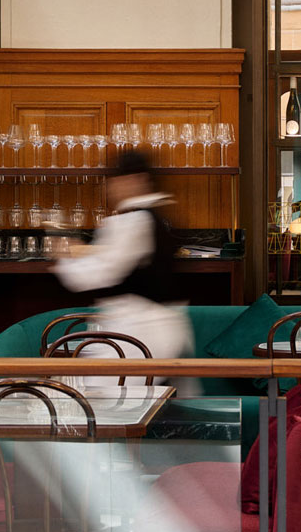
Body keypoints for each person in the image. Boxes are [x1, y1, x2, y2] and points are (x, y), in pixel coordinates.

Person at [49, 149, 193, 386]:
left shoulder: (132, 221)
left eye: (115, 180)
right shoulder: (155, 215)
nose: (110, 188)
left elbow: (99, 274)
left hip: (139, 335)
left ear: (137, 180)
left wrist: (64, 258)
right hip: (158, 331)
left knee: (99, 396)